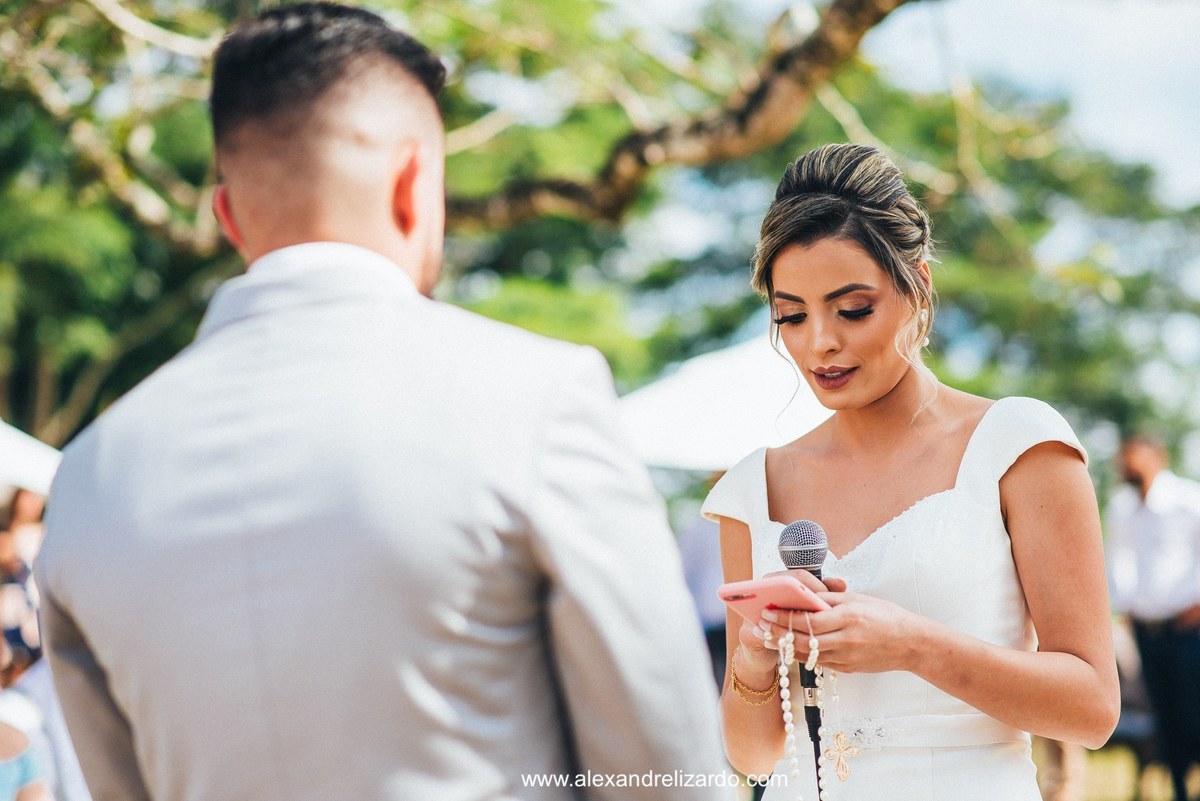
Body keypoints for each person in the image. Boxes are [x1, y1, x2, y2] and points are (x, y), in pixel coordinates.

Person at [35, 4, 728, 800]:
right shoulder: (534, 396)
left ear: (226, 216)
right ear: (412, 184)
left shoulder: (88, 477)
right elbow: (662, 771)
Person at [701, 143, 1119, 801]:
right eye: (792, 315)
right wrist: (755, 658)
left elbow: (1093, 707)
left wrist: (913, 643)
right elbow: (753, 754)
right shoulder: (751, 488)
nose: (820, 342)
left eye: (853, 308)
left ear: (917, 283)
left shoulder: (1017, 446)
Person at [1106, 434, 1200, 801]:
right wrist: (1126, 605)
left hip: (1187, 627)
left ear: (1157, 457)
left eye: (1135, 456)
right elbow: (1117, 559)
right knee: (1162, 710)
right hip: (1147, 628)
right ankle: (1178, 789)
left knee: (1192, 707)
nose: (1128, 464)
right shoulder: (1121, 508)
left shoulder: (1187, 500)